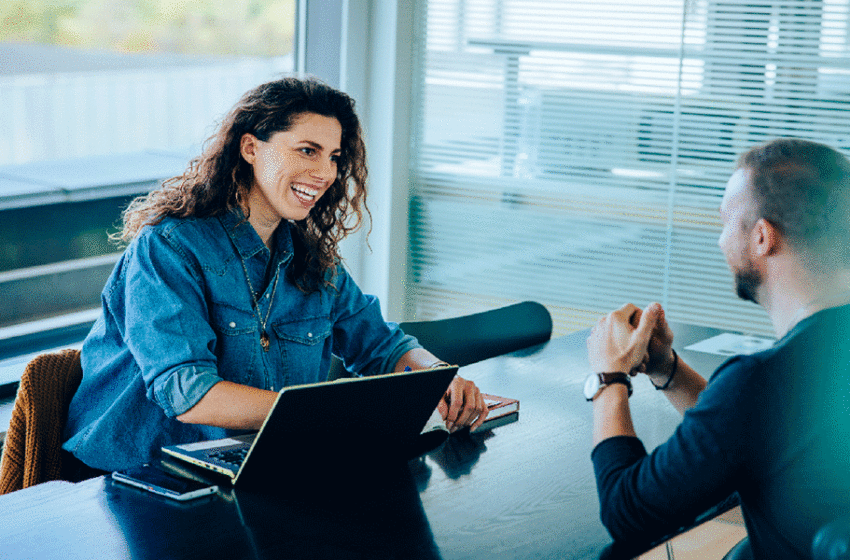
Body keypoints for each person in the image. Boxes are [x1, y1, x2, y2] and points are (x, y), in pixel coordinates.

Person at [61, 77, 487, 476]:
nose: (325, 173)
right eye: (307, 150)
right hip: (136, 475)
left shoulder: (313, 258)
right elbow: (187, 392)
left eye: (334, 157)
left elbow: (382, 344)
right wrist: (324, 413)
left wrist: (441, 376)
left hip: (252, 464)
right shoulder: (169, 247)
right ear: (250, 147)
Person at [584, 138, 850, 559]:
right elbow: (751, 432)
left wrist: (607, 378)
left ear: (762, 237)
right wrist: (666, 368)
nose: (720, 241)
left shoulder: (763, 380)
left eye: (726, 223)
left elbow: (627, 511)